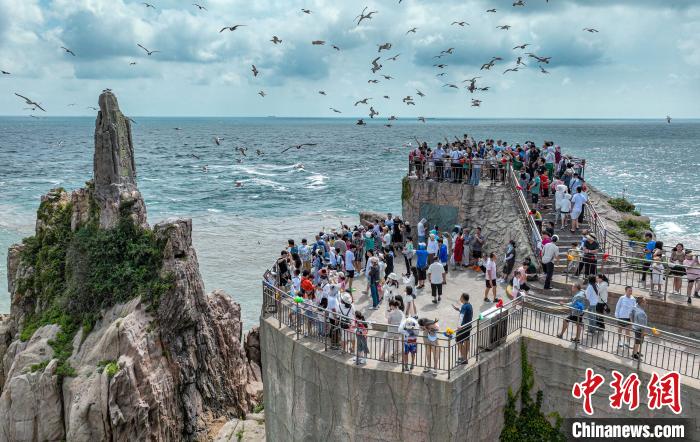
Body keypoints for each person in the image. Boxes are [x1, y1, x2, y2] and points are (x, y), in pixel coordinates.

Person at [453, 293, 473, 364]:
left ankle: (464, 358)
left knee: (458, 341)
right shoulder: (469, 305)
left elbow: (461, 316)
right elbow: (465, 312)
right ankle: (464, 357)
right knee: (466, 341)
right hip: (468, 326)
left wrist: (459, 326)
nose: (460, 298)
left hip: (463, 327)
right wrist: (458, 309)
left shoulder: (464, 306)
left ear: (463, 298)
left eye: (460, 297)